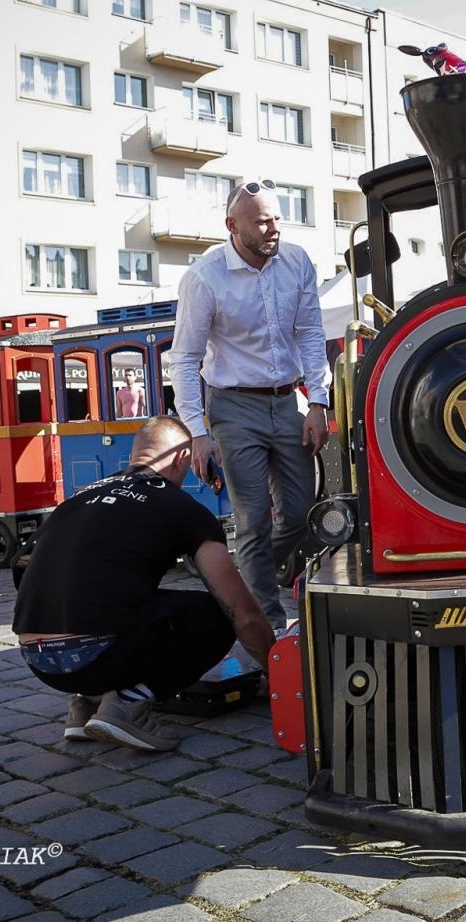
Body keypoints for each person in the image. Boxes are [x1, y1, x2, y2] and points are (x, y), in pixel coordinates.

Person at [13, 416, 275, 751]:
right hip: (95, 654)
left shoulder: (77, 498)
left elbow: (22, 568)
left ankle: (87, 703)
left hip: (40, 662)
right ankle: (127, 704)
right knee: (214, 614)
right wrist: (278, 673)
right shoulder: (182, 508)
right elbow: (242, 611)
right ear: (182, 458)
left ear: (136, 454)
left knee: (120, 598)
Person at [167, 178, 329, 635]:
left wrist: (318, 400)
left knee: (300, 514)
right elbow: (184, 359)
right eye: (262, 222)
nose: (273, 228)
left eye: (277, 218)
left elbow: (312, 335)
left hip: (287, 401)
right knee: (253, 520)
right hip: (233, 408)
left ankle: (237, 580)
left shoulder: (296, 261)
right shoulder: (204, 277)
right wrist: (198, 433)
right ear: (232, 226)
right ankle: (270, 628)